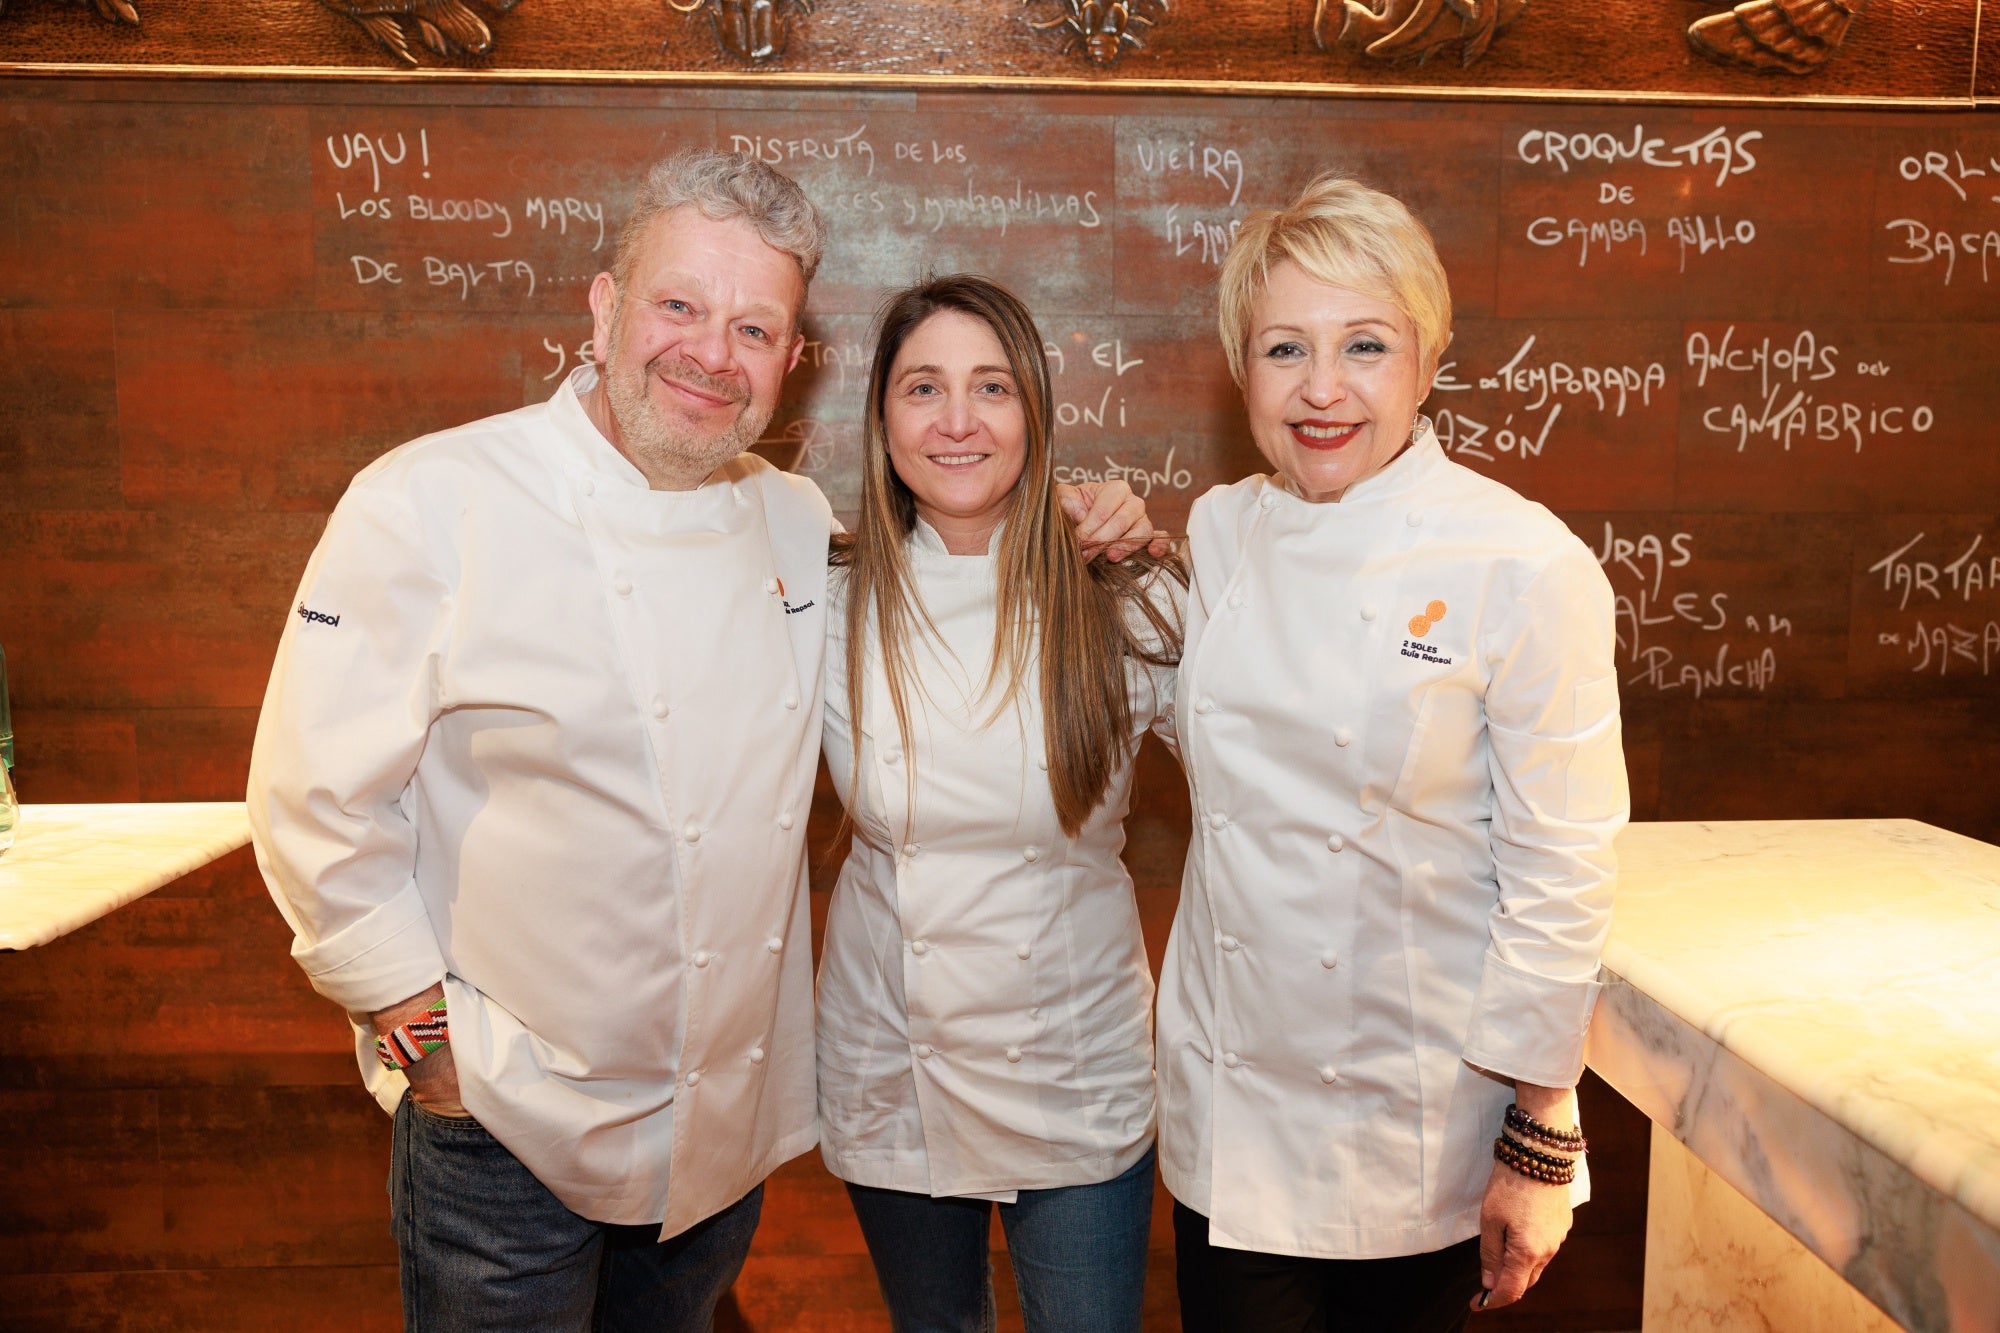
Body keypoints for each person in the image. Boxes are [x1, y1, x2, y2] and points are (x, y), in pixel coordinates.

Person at [247, 150, 1157, 1333]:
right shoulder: (429, 501)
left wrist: (1099, 521)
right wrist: (425, 1045)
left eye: (752, 327)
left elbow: (973, 559)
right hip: (502, 1124)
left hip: (711, 1144)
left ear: (791, 361)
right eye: (679, 305)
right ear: (604, 305)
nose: (709, 353)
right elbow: (311, 800)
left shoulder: (787, 525)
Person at [1156, 173, 1628, 1333]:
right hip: (1232, 1120)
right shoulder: (1220, 530)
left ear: (1426, 360)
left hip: (1419, 1135)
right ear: (1240, 370)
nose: (1321, 389)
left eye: (1363, 345)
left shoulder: (1521, 562)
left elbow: (1561, 870)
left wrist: (1539, 1132)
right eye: (1283, 350)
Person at [815, 274, 1186, 1333]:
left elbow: (1273, 771)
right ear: (882, 419)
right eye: (921, 388)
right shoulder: (827, 600)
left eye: (991, 386)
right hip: (894, 1056)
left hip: (1071, 1062)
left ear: (1034, 410)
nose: (958, 420)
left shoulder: (1125, 595)